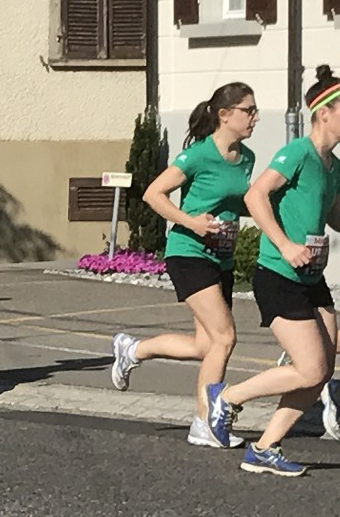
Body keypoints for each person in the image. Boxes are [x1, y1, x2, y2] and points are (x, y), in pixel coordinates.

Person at [205, 65, 340, 477]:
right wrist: (285, 244)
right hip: (278, 275)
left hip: (311, 278)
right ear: (324, 113)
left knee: (322, 369)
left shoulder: (332, 165)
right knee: (311, 367)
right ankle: (227, 397)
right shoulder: (298, 151)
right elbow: (255, 193)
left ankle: (264, 448)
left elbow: (333, 216)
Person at [109, 83, 257, 448]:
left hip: (219, 256)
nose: (254, 117)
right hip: (188, 252)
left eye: (255, 110)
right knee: (226, 337)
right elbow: (153, 194)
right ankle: (205, 422)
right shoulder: (198, 157)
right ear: (225, 116)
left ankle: (133, 350)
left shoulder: (247, 157)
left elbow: (235, 202)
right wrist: (192, 223)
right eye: (248, 110)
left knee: (205, 346)